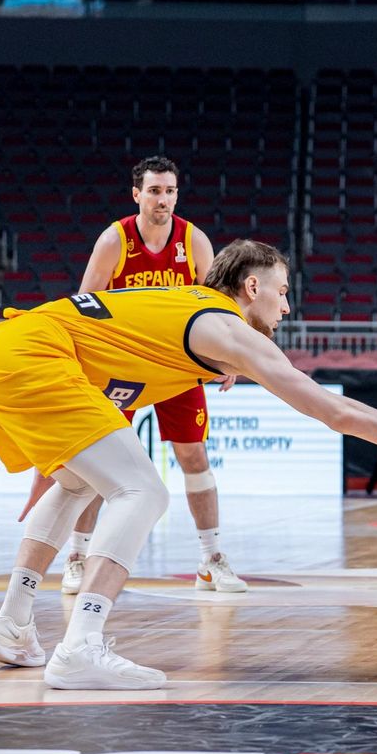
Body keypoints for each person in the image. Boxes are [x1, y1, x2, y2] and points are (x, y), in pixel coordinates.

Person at [0, 239, 377, 689]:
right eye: (283, 292)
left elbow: (82, 417)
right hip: (30, 358)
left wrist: (50, 471)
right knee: (144, 493)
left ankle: (12, 624)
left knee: (81, 483)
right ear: (252, 286)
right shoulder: (222, 325)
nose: (287, 307)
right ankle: (82, 644)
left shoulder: (173, 318)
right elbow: (335, 411)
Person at [57, 155, 247, 596]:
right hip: (122, 365)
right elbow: (84, 308)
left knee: (195, 459)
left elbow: (217, 306)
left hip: (174, 365)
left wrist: (230, 358)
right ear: (137, 195)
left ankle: (211, 559)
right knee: (97, 465)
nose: (163, 199)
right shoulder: (114, 240)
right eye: (155, 190)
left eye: (170, 191)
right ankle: (77, 557)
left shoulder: (194, 240)